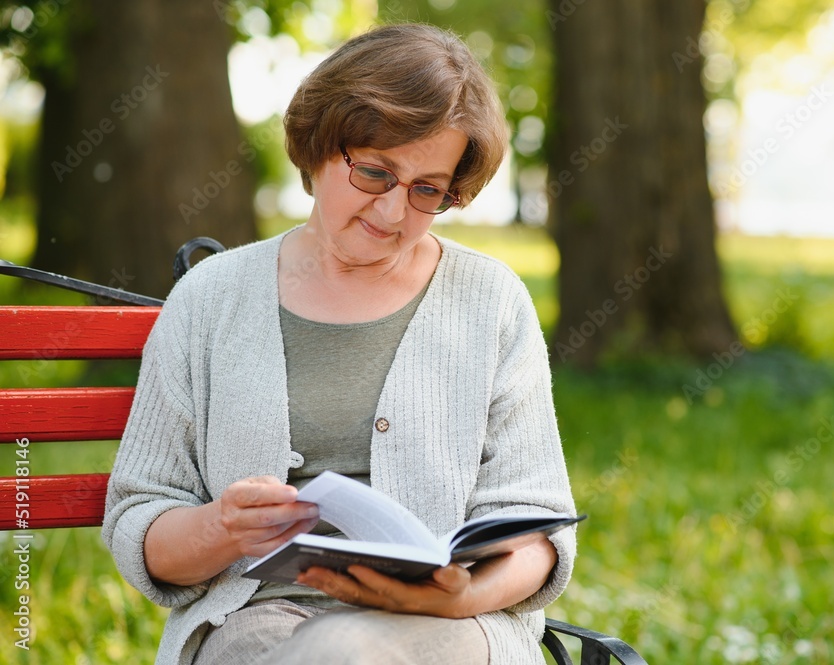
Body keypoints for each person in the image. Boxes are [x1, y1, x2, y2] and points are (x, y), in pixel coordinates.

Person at [102, 22, 576, 665]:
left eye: (427, 190)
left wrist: (455, 600)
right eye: (376, 173)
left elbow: (535, 529)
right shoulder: (210, 300)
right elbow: (142, 520)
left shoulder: (490, 301)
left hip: (454, 628)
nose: (392, 214)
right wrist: (222, 527)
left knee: (344, 649)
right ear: (321, 144)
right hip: (253, 619)